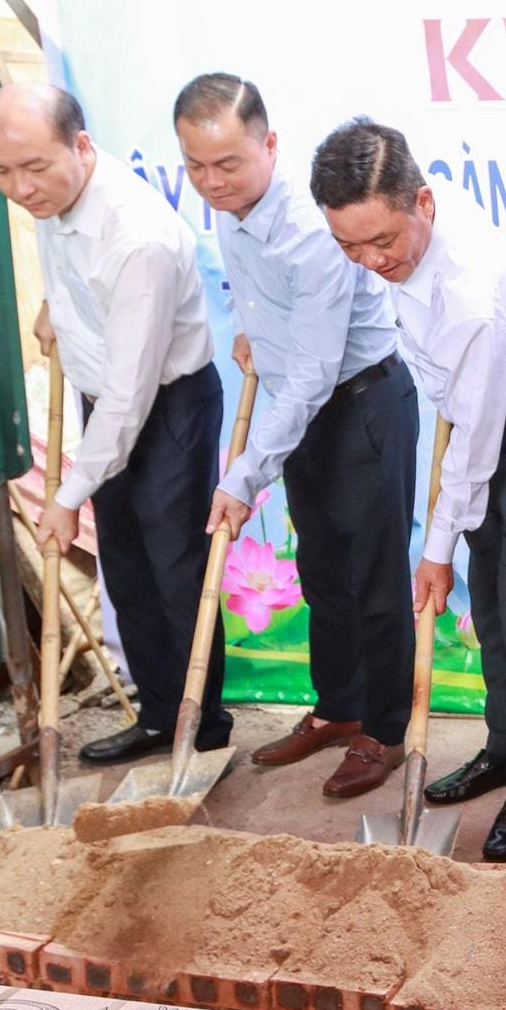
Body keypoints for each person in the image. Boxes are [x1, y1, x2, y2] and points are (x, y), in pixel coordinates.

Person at [308, 117, 506, 862]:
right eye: (350, 246)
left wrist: (434, 550)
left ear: (423, 203)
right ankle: (505, 747)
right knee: (491, 607)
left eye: (383, 242)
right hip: (480, 421)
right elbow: (465, 423)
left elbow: (474, 440)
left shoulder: (474, 294)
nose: (372, 261)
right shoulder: (406, 220)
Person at [174, 74, 418, 799]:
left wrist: (242, 475)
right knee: (322, 570)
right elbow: (265, 305)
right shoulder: (229, 213)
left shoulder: (313, 232)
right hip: (301, 410)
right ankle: (339, 708)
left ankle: (385, 731)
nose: (212, 181)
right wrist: (255, 332)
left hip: (361, 405)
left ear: (270, 145)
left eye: (228, 164)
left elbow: (316, 370)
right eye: (196, 165)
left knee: (375, 579)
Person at [0, 83, 229, 763]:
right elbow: (73, 269)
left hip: (167, 407)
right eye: (1, 171)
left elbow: (129, 392)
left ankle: (201, 726)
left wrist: (66, 496)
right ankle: (158, 713)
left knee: (176, 566)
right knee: (126, 562)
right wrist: (55, 306)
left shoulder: (138, 237)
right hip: (105, 395)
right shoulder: (51, 196)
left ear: (81, 146)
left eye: (34, 167)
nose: (20, 188)